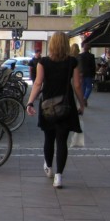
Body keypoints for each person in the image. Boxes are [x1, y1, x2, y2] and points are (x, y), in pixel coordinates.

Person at [25, 31, 85, 189]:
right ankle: (59, 177)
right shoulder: (73, 61)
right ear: (65, 44)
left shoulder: (43, 62)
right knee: (62, 141)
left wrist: (30, 102)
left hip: (47, 105)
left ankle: (49, 168)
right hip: (66, 105)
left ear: (51, 45)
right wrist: (82, 103)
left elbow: (38, 84)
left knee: (48, 138)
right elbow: (77, 85)